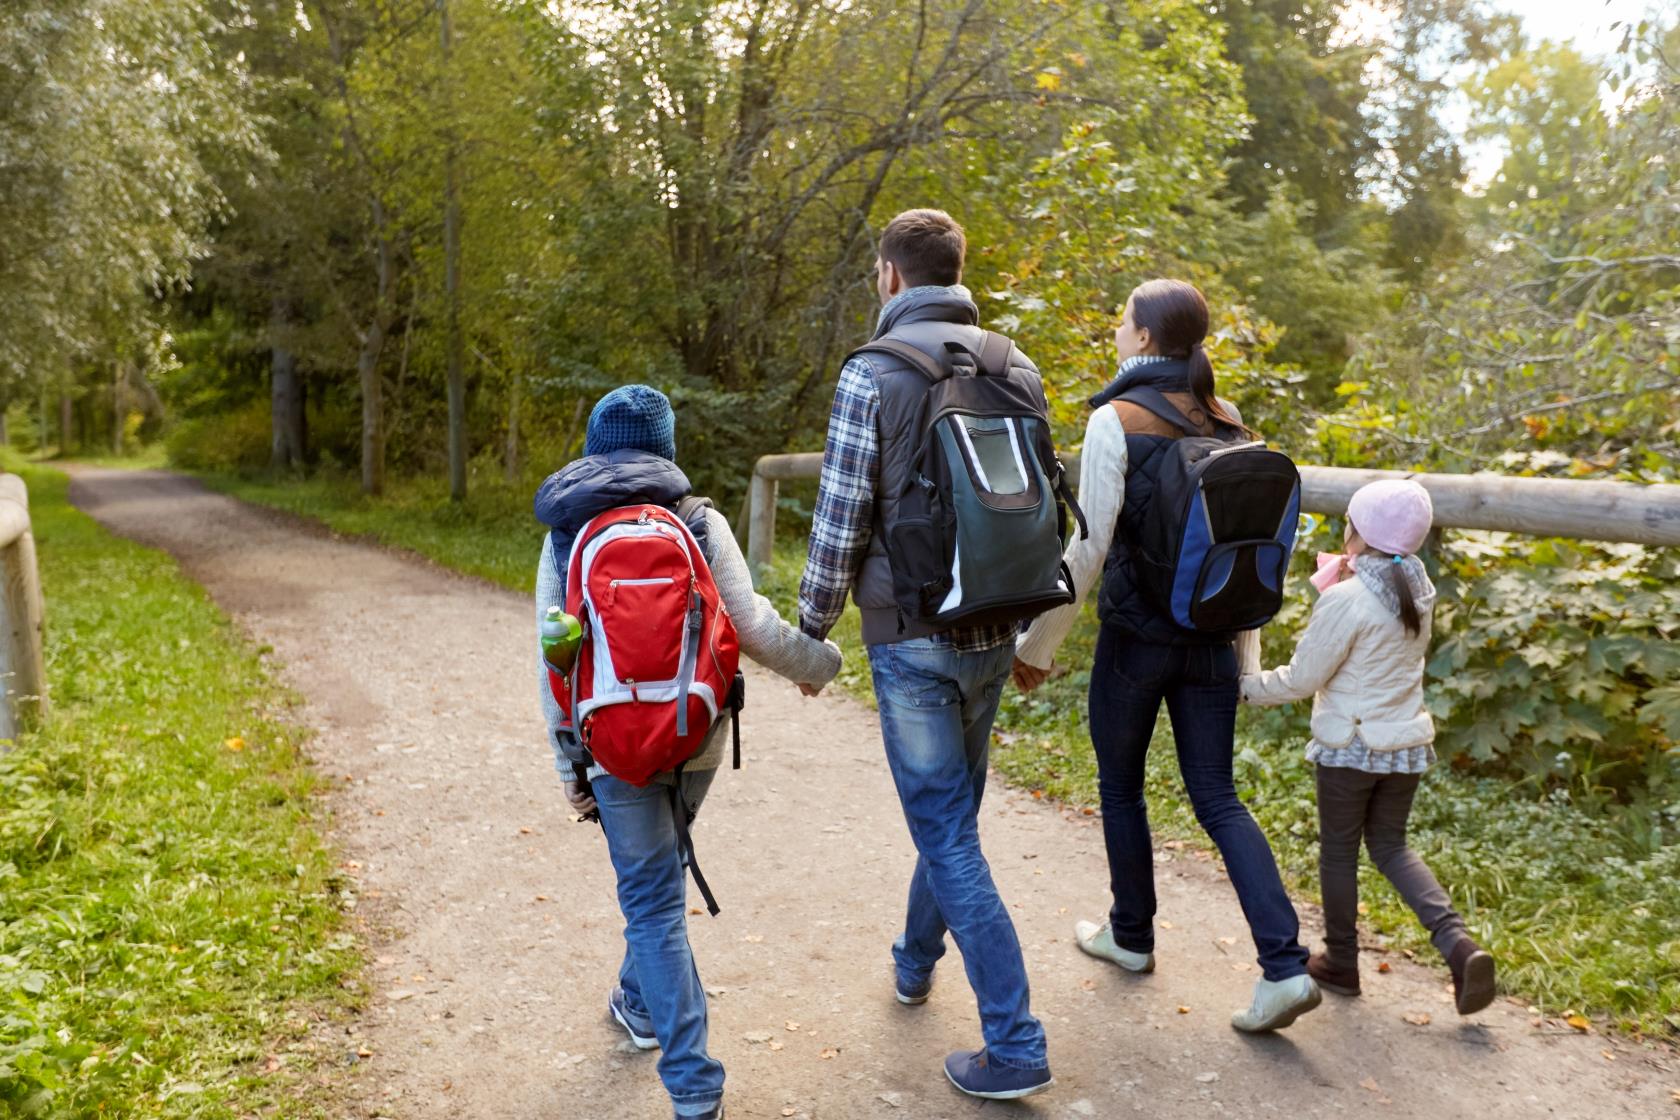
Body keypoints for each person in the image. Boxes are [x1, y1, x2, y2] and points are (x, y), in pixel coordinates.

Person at [1013, 278, 1322, 1033]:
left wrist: (1037, 645)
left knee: (1121, 787)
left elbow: (1088, 544)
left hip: (1137, 642)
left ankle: (1131, 934)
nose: (1118, 330)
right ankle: (1284, 967)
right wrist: (1248, 664)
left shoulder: (1116, 420)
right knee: (1218, 798)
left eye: (1124, 320)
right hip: (1214, 643)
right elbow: (1245, 559)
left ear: (1146, 338)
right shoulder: (1229, 420)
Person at [798, 208, 1054, 1100]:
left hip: (910, 638)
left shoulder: (871, 374)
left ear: (890, 277)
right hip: (993, 625)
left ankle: (1016, 1042)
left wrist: (811, 630)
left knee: (946, 832)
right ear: (957, 270)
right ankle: (914, 961)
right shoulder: (1014, 363)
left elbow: (840, 521)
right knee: (952, 826)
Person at [535, 385, 841, 1120]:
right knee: (658, 884)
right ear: (668, 448)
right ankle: (642, 1005)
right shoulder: (697, 519)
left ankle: (696, 1089)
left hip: (609, 741)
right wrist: (820, 667)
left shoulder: (565, 532)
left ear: (592, 448)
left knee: (650, 902)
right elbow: (755, 628)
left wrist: (568, 762)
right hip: (696, 731)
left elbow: (549, 658)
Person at [1240, 479, 1497, 1014]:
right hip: (1403, 746)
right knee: (1390, 847)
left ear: (1356, 530)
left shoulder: (1349, 598)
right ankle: (1458, 944)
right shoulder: (1416, 587)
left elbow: (1304, 677)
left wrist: (1245, 686)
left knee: (1339, 852)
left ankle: (1341, 960)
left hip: (1352, 747)